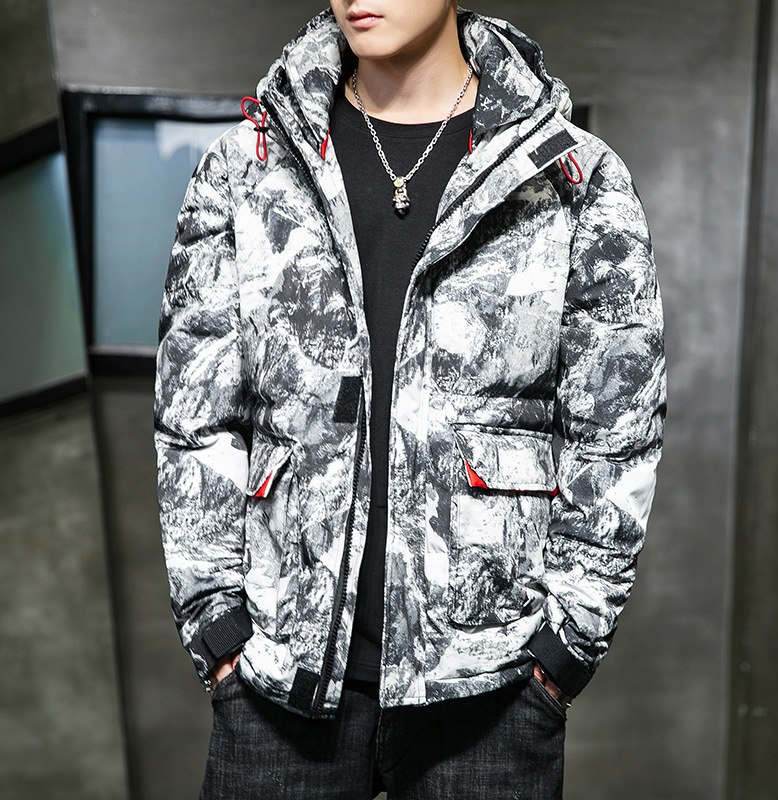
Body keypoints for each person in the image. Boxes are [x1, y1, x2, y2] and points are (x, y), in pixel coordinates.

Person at [153, 1, 666, 797]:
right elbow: (195, 415)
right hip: (278, 678)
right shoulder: (246, 168)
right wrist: (217, 625)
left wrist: (564, 649)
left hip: (493, 686)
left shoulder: (573, 177)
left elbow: (617, 428)